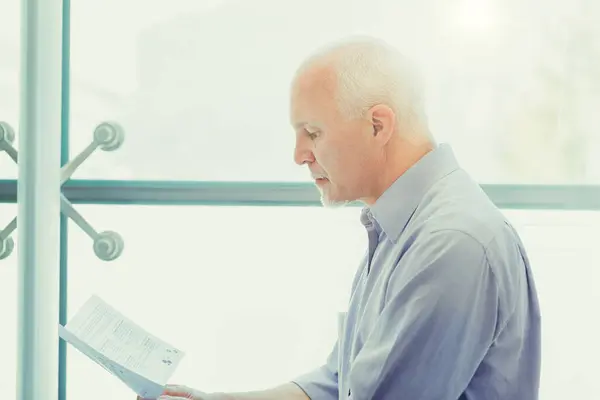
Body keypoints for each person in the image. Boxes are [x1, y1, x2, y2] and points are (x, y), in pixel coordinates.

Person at [141, 36, 541, 400]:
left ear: (377, 125)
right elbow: (338, 383)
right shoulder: (400, 227)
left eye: (312, 133)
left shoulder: (452, 244)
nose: (299, 154)